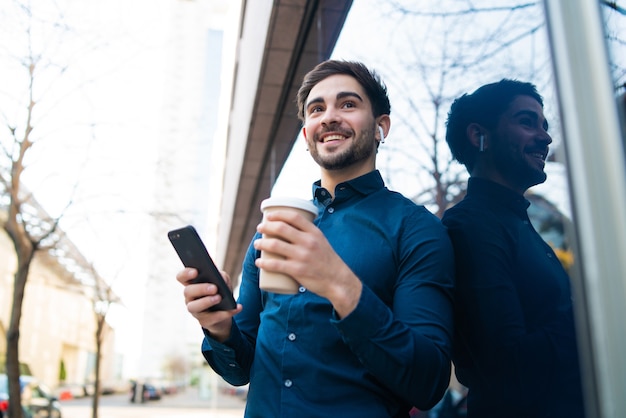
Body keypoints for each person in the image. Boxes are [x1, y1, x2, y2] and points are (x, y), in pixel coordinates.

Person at [176, 60, 455, 417]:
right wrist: (219, 328)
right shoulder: (273, 230)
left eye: (348, 104)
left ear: (380, 127)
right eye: (316, 109)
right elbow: (239, 370)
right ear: (307, 135)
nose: (329, 117)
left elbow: (428, 382)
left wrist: (340, 284)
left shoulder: (418, 229)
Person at [442, 79, 585, 417]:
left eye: (545, 125)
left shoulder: (515, 222)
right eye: (526, 121)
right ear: (480, 136)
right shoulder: (471, 227)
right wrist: (590, 315)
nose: (545, 137)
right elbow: (508, 368)